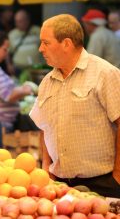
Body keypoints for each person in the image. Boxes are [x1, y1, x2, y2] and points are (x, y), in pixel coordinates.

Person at [30, 14, 120, 198]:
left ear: (66, 44)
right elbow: (43, 128)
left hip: (103, 183)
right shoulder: (47, 82)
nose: (40, 49)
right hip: (60, 186)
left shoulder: (105, 74)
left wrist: (117, 174)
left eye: (46, 43)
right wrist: (46, 168)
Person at [8, 9, 43, 75]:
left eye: (20, 21)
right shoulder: (12, 34)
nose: (17, 24)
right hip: (18, 68)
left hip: (37, 68)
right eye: (16, 21)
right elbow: (7, 51)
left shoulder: (38, 30)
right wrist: (9, 65)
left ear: (27, 20)